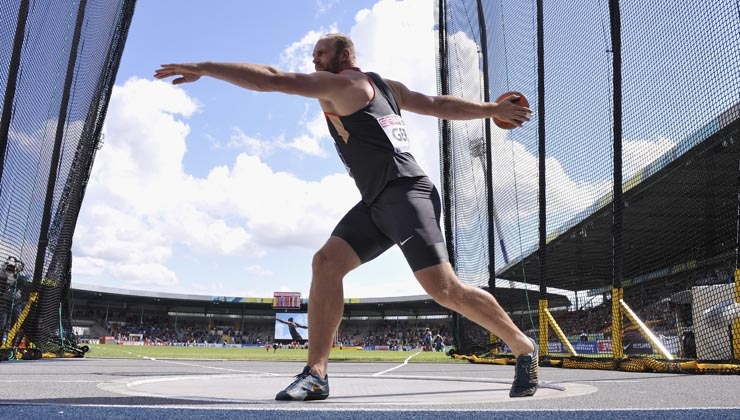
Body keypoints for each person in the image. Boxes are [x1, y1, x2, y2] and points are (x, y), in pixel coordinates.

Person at [155, 33, 538, 401]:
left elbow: (272, 79)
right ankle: (316, 374)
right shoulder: (388, 87)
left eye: (321, 54)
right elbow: (437, 104)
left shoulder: (344, 85)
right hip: (376, 201)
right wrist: (490, 109)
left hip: (407, 193)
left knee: (444, 290)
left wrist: (204, 66)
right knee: (325, 263)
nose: (314, 61)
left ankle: (523, 346)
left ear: (344, 56)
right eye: (314, 56)